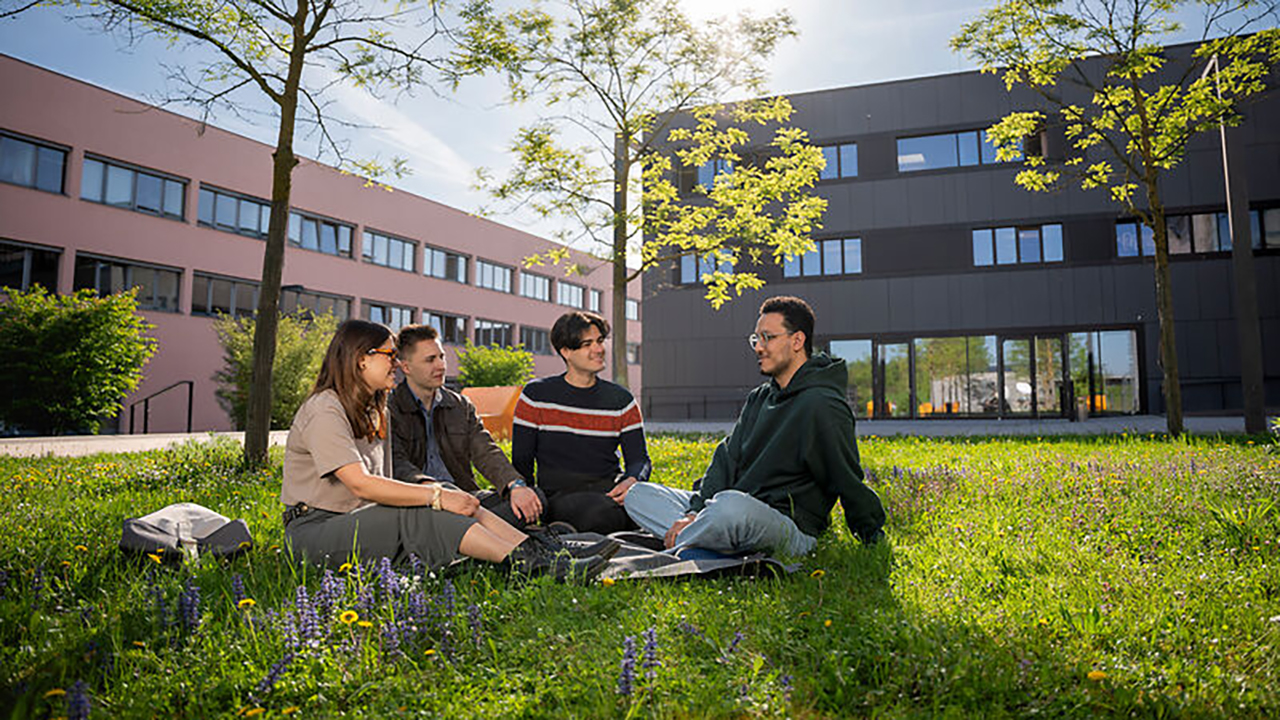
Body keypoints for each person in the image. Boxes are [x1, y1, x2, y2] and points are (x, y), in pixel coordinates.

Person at [279, 319, 606, 581]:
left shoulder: (374, 410)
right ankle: (532, 566)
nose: (395, 363)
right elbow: (361, 483)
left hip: (361, 519)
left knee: (456, 499)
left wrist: (459, 493)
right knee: (426, 510)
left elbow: (486, 451)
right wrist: (434, 496)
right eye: (389, 355)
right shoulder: (326, 409)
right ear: (362, 359)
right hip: (317, 530)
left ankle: (540, 553)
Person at [624, 296, 886, 556]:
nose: (759, 347)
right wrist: (694, 511)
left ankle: (688, 542)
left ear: (797, 340)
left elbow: (846, 478)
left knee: (730, 508)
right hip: (730, 510)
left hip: (787, 526)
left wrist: (872, 535)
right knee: (639, 495)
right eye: (756, 339)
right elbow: (727, 458)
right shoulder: (759, 397)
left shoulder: (823, 404)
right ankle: (699, 541)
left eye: (767, 338)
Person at [388, 324, 546, 529]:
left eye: (441, 357)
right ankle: (504, 537)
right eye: (430, 360)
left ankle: (479, 534)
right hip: (420, 501)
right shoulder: (390, 408)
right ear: (406, 367)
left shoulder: (460, 406)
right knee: (463, 521)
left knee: (533, 498)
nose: (441, 366)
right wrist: (436, 492)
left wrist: (515, 485)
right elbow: (397, 463)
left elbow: (486, 451)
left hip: (465, 499)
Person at [512, 311, 651, 534]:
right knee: (602, 515)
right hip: (559, 496)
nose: (598, 349)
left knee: (659, 505)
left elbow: (639, 459)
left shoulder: (621, 400)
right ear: (565, 351)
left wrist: (632, 480)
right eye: (587, 344)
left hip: (611, 490)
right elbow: (522, 460)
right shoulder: (536, 395)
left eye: (599, 341)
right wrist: (527, 506)